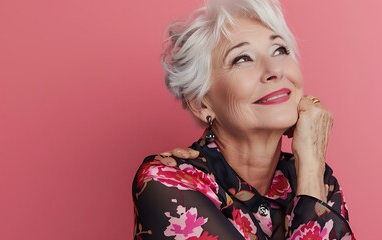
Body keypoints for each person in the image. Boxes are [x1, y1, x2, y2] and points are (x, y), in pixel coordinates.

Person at [132, 0, 354, 239]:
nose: (274, 70)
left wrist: (311, 165)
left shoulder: (318, 177)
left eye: (280, 50)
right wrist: (312, 172)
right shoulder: (166, 181)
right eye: (242, 58)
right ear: (201, 103)